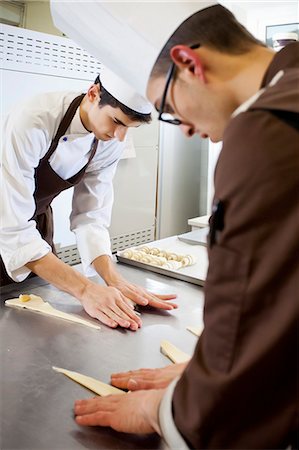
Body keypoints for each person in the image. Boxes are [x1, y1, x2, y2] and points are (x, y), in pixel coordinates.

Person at [52, 2, 299, 448]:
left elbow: (252, 327)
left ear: (188, 62)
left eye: (169, 109)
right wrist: (218, 365)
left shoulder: (264, 133)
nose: (184, 128)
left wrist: (166, 408)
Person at [0, 66, 178, 331]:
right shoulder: (34, 120)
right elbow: (12, 228)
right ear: (93, 94)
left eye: (130, 128)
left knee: (26, 312)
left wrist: (113, 280)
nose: (120, 136)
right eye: (117, 122)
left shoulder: (110, 141)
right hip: (6, 216)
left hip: (33, 221)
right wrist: (84, 290)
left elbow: (90, 217)